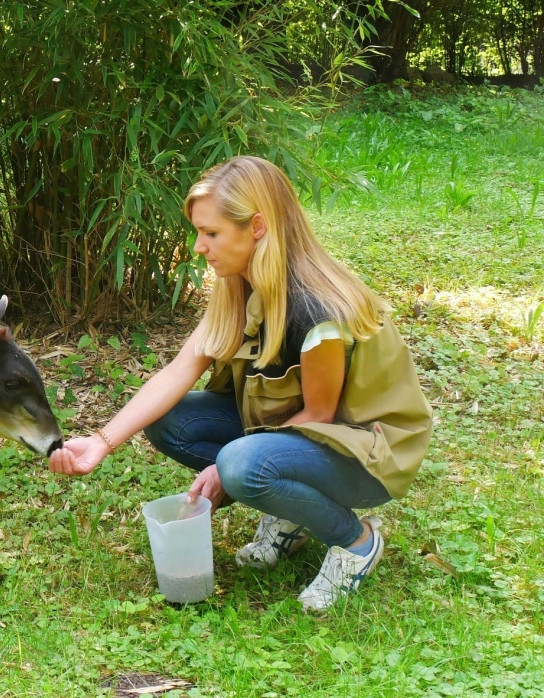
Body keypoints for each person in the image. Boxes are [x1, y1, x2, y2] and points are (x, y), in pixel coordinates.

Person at [49, 156, 432, 612]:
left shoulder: (315, 309)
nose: (198, 248)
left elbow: (321, 417)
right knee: (170, 421)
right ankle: (289, 511)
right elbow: (178, 370)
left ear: (256, 227)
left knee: (240, 465)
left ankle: (354, 541)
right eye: (198, 233)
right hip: (302, 436)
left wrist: (228, 470)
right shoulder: (239, 286)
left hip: (365, 455)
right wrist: (102, 441)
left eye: (210, 234)